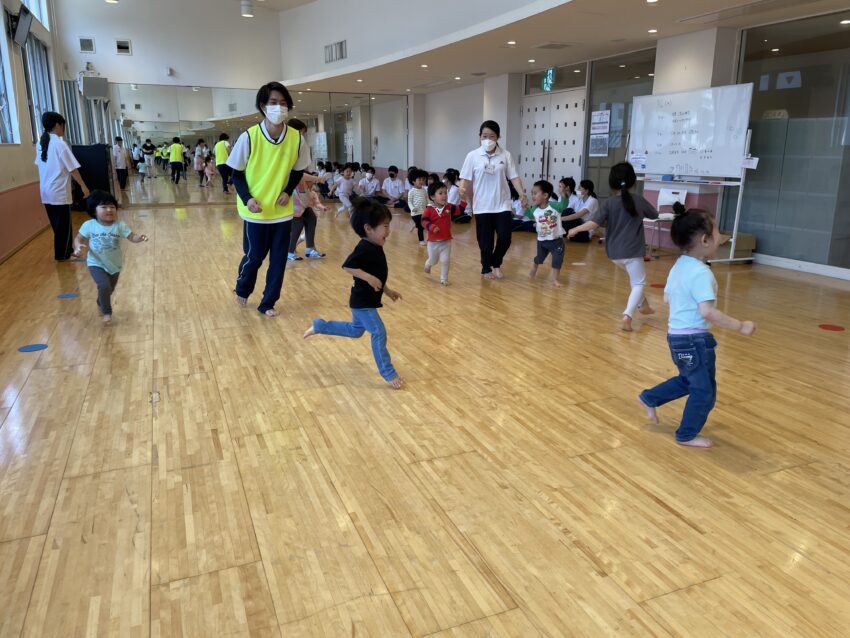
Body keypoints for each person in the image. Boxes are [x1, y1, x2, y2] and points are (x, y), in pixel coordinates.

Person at [638, 202, 756, 448]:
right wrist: (740, 326)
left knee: (689, 380)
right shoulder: (702, 274)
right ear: (704, 240)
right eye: (717, 232)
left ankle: (650, 398)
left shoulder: (679, 265)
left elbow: (669, 296)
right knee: (704, 392)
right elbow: (707, 311)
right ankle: (686, 434)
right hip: (694, 341)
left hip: (676, 337)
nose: (719, 236)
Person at [226, 81, 310, 317]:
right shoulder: (249, 137)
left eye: (283, 103)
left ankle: (268, 302)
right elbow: (237, 173)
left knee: (279, 261)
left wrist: (287, 191)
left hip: (282, 211)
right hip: (256, 210)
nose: (279, 107)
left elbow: (297, 170)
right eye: (273, 103)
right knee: (254, 257)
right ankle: (243, 287)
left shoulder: (296, 139)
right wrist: (247, 198)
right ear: (263, 106)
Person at [303, 198, 404, 389]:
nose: (388, 231)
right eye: (385, 226)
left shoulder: (376, 246)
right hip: (362, 302)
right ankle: (388, 372)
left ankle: (320, 326)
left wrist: (387, 290)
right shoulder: (364, 247)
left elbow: (378, 274)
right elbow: (348, 266)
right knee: (378, 332)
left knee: (355, 331)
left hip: (364, 301)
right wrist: (368, 278)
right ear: (368, 228)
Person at [568, 162, 658, 332]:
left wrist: (575, 229)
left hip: (614, 254)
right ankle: (628, 315)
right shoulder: (638, 200)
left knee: (635, 280)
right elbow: (654, 214)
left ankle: (644, 305)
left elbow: (593, 223)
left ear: (611, 183)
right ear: (633, 181)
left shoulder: (609, 203)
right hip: (632, 251)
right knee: (639, 283)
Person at [459, 120, 527, 280]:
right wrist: (462, 188)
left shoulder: (505, 154)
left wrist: (522, 194)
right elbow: (465, 177)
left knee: (505, 237)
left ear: (498, 137)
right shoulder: (473, 155)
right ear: (480, 136)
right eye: (484, 136)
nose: (488, 139)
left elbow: (514, 177)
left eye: (492, 136)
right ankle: (486, 268)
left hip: (502, 204)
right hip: (482, 205)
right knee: (485, 242)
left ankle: (496, 263)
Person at [72, 190, 148, 324]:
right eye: (104, 207)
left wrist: (140, 238)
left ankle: (100, 301)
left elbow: (132, 237)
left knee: (109, 289)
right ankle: (107, 312)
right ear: (94, 211)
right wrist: (77, 247)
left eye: (112, 207)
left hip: (115, 264)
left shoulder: (120, 225)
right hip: (96, 262)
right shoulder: (89, 225)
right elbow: (78, 239)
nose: (109, 210)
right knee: (104, 285)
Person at [34, 111, 90, 261]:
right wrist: (83, 186)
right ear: (57, 125)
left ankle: (64, 251)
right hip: (58, 191)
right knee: (63, 225)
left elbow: (40, 165)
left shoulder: (40, 144)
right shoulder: (59, 143)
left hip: (45, 192)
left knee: (57, 225)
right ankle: (63, 254)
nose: (63, 129)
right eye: (62, 126)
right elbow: (72, 168)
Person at [285, 118, 326, 261]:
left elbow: (303, 173)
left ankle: (310, 249)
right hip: (292, 195)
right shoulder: (287, 149)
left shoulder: (299, 148)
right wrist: (317, 179)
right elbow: (297, 175)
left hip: (301, 194)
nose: (302, 137)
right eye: (301, 133)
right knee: (297, 224)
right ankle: (289, 252)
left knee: (311, 218)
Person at [524, 180, 566, 287]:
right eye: (532, 193)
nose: (533, 196)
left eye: (535, 193)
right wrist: (525, 207)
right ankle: (535, 265)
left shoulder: (555, 206)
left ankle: (555, 279)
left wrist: (563, 194)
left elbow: (563, 205)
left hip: (557, 241)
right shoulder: (534, 209)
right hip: (542, 241)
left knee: (557, 260)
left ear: (545, 195)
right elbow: (529, 215)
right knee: (539, 258)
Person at [422, 180, 464, 286]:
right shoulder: (429, 210)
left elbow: (460, 209)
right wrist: (431, 227)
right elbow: (424, 221)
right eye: (440, 193)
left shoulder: (449, 207)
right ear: (432, 197)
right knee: (434, 261)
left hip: (446, 241)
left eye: (445, 193)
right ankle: (428, 264)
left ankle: (443, 278)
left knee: (445, 261)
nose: (444, 195)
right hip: (433, 243)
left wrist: (463, 199)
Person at [407, 169, 429, 246]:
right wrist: (412, 208)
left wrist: (430, 206)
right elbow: (409, 201)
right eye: (419, 179)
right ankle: (421, 240)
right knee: (421, 226)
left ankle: (415, 225)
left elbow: (427, 199)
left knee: (424, 223)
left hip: (423, 211)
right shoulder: (411, 191)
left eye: (423, 179)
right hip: (415, 213)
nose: (421, 181)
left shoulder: (424, 190)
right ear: (413, 181)